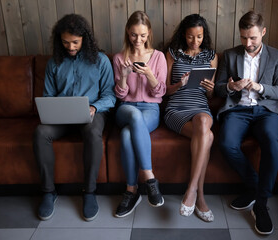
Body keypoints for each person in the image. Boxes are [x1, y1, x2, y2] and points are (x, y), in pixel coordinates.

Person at [33, 14, 116, 221]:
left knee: (93, 132)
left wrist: (94, 107)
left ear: (84, 39)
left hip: (92, 114)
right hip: (62, 117)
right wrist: (52, 109)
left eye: (75, 42)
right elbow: (48, 96)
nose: (70, 47)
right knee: (40, 132)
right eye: (65, 42)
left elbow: (110, 95)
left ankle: (89, 192)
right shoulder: (54, 63)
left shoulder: (101, 60)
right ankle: (48, 192)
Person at [215, 11, 278, 235]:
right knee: (226, 144)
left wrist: (260, 87)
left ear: (263, 33)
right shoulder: (229, 55)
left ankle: (260, 203)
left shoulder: (276, 56)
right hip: (237, 109)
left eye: (253, 38)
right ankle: (256, 186)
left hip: (266, 111)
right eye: (243, 37)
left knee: (271, 142)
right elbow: (218, 87)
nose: (248, 43)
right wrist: (231, 87)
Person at [164, 14, 218, 222]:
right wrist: (179, 85)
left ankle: (192, 190)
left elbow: (210, 96)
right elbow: (165, 91)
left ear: (204, 36)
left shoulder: (211, 56)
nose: (195, 42)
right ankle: (201, 197)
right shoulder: (172, 54)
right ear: (183, 35)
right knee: (208, 137)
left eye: (199, 37)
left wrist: (211, 89)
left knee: (204, 122)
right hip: (176, 109)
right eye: (190, 37)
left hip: (200, 107)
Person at [113, 11, 167, 218]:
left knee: (127, 135)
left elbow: (160, 92)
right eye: (134, 34)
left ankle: (131, 190)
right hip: (126, 108)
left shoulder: (159, 57)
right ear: (128, 32)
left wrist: (150, 75)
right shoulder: (119, 58)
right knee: (133, 117)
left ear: (149, 33)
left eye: (143, 35)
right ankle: (149, 177)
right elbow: (120, 94)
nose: (138, 40)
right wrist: (124, 77)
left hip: (151, 109)